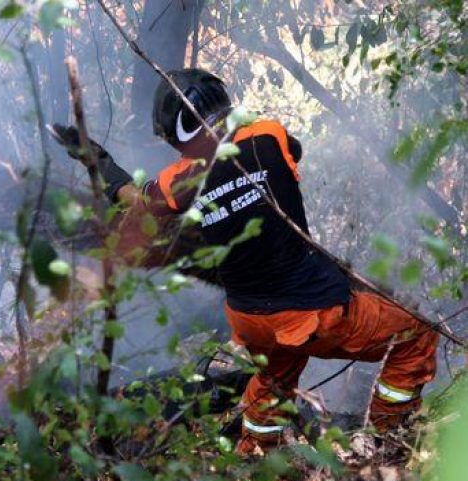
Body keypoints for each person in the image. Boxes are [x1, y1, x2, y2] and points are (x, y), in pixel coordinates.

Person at [52, 68, 439, 455]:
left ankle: (252, 457)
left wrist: (98, 159)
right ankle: (384, 443)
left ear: (176, 131)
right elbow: (295, 150)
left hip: (252, 319)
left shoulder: (178, 181)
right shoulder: (267, 134)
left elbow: (135, 201)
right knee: (416, 336)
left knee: (273, 380)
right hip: (311, 308)